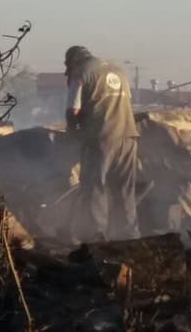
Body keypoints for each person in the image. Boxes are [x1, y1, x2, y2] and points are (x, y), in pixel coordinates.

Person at [64, 46, 140, 241]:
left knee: (94, 188)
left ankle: (96, 238)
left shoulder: (81, 72)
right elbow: (126, 102)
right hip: (129, 137)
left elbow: (73, 109)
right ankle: (129, 238)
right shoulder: (118, 70)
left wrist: (73, 132)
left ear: (72, 62)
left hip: (101, 139)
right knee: (124, 190)